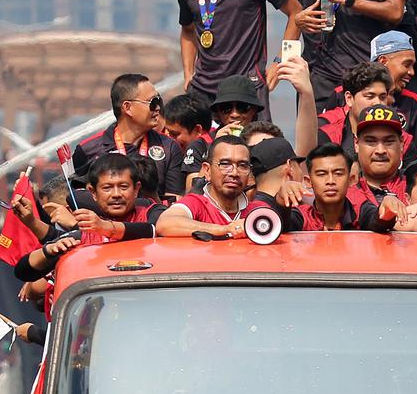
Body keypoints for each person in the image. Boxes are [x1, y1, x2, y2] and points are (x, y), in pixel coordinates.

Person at [14, 154, 160, 282]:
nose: (116, 194)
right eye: (107, 188)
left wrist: (106, 227)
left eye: (123, 186)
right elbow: (23, 272)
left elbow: (153, 229)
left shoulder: (154, 213)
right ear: (93, 192)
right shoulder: (86, 232)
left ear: (136, 189)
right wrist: (49, 250)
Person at [73, 73, 185, 201]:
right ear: (128, 108)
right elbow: (78, 199)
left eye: (158, 101)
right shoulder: (87, 149)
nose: (158, 108)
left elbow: (175, 200)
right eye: (152, 102)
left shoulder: (169, 147)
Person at [317, 62, 415, 162]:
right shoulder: (328, 136)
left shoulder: (404, 141)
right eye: (370, 96)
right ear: (349, 98)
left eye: (382, 97)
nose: (377, 103)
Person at [155, 136, 251, 238]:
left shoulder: (257, 209)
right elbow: (165, 224)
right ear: (207, 170)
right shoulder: (196, 203)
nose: (234, 173)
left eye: (242, 166)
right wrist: (225, 229)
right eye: (225, 164)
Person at [370, 30, 417, 152]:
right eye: (407, 64)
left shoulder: (413, 102)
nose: (412, 72)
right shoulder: (344, 95)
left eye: (413, 66)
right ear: (383, 61)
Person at [293, 143, 361, 231]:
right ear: (308, 182)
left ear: (351, 180)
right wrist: (280, 201)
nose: (330, 181)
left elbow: (377, 221)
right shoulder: (302, 217)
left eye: (338, 174)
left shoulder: (360, 214)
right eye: (321, 174)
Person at [243, 137, 305, 223]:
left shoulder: (244, 209)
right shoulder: (293, 216)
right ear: (289, 167)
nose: (301, 171)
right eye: (298, 164)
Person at [162, 94, 213, 187]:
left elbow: (192, 193)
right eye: (167, 132)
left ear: (198, 130)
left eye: (175, 134)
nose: (169, 138)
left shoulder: (203, 148)